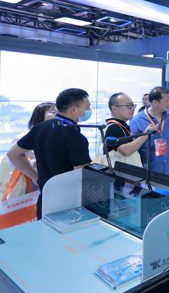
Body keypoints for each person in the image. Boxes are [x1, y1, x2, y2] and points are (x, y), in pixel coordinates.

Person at [7, 88, 92, 219]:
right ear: (74, 110)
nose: (89, 110)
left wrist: (36, 176)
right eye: (87, 107)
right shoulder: (76, 137)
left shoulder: (40, 127)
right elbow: (81, 177)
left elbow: (13, 154)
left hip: (45, 199)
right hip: (68, 203)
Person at [103, 93, 158, 167]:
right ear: (115, 109)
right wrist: (146, 134)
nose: (132, 108)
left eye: (133, 105)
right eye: (128, 106)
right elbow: (126, 151)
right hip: (119, 173)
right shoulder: (113, 127)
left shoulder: (122, 126)